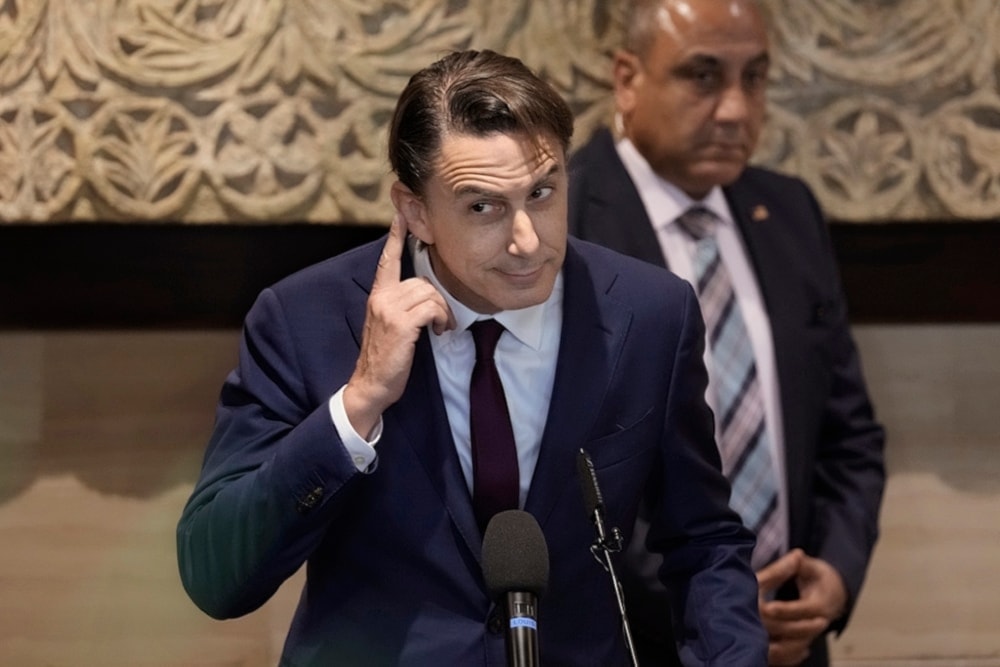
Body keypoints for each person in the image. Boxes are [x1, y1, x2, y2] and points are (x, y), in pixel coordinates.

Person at [176, 48, 767, 665]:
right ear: (415, 211)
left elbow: (703, 541)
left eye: (543, 192)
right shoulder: (306, 320)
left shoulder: (651, 315)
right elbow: (217, 578)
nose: (527, 240)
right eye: (483, 207)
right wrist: (356, 407)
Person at [567, 1, 886, 666]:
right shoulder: (559, 223)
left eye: (756, 78)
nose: (737, 111)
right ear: (627, 79)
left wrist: (834, 572)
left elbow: (849, 436)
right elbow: (559, 473)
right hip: (633, 643)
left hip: (793, 640)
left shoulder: (790, 213)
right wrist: (723, 608)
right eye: (703, 77)